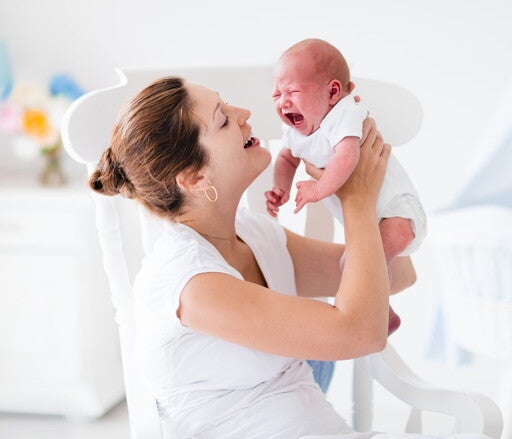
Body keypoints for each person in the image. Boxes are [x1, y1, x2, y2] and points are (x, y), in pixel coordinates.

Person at [89, 76, 487, 439]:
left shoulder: (254, 235)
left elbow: (399, 271)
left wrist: (349, 170)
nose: (244, 114)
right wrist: (358, 203)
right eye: (223, 120)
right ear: (195, 178)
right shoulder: (192, 283)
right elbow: (362, 333)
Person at [266, 38, 427, 335]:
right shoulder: (294, 131)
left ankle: (366, 313)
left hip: (395, 209)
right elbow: (286, 160)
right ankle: (383, 312)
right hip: (366, 220)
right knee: (350, 267)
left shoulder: (343, 114)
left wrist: (317, 190)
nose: (282, 101)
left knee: (372, 255)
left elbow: (347, 156)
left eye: (292, 91)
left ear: (333, 92)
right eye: (277, 93)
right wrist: (281, 189)